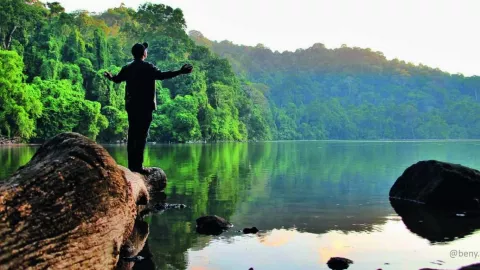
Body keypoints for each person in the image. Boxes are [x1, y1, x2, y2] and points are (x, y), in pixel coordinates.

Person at [104, 42, 193, 173]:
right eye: (146, 50)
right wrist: (180, 71)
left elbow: (117, 79)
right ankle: (138, 167)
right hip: (145, 106)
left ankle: (131, 166)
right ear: (144, 54)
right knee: (141, 135)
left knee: (132, 134)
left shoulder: (128, 67)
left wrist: (110, 77)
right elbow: (162, 75)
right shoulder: (148, 67)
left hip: (132, 106)